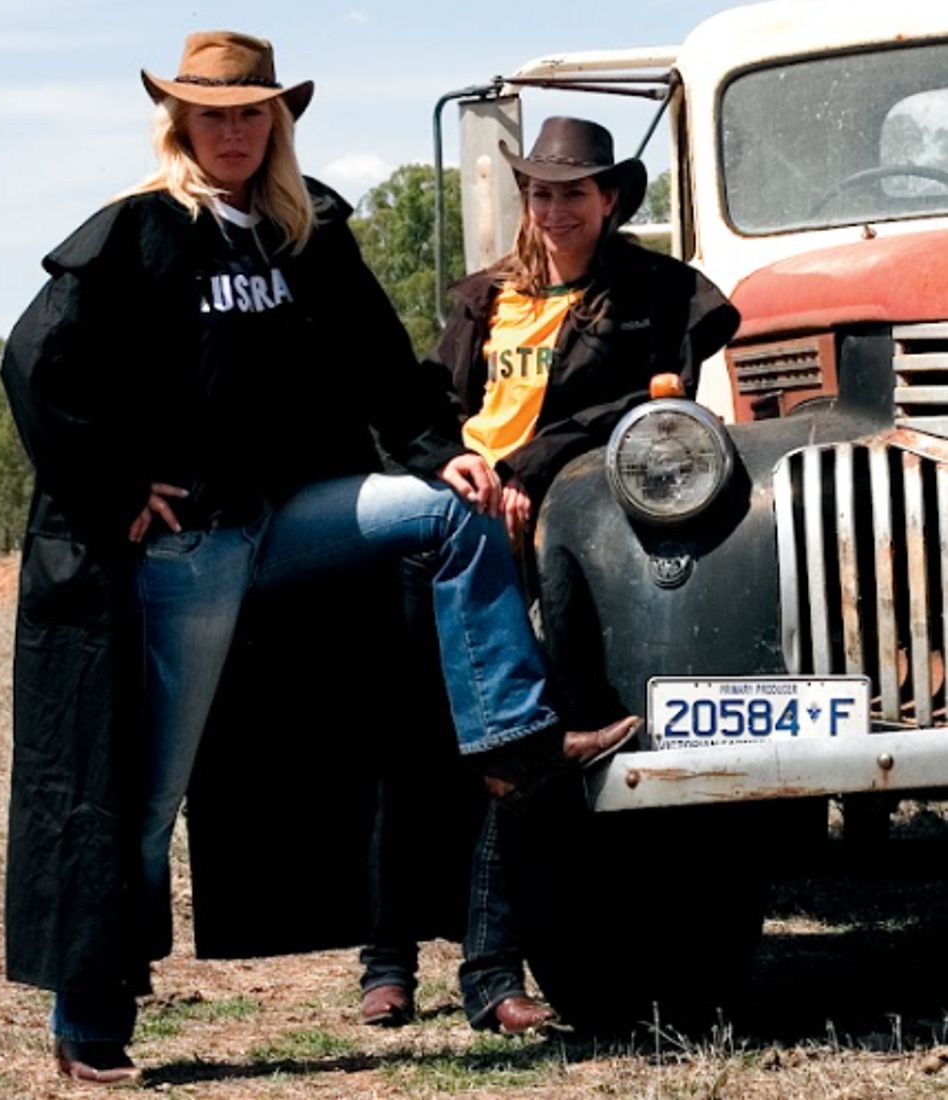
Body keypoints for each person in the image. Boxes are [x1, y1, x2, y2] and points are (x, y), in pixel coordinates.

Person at [1, 36, 638, 1084]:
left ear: (277, 123)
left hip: (290, 516)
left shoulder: (304, 233)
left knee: (449, 512)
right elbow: (34, 363)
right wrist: (117, 487)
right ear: (182, 123)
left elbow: (385, 370)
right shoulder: (142, 231)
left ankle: (510, 735)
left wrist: (445, 454)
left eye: (254, 113)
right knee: (147, 792)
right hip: (191, 544)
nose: (237, 130)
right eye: (217, 114)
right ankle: (89, 1012)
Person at [359, 116, 740, 1033]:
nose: (557, 207)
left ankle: (491, 974)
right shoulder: (486, 300)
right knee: (414, 737)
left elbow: (648, 410)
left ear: (611, 200)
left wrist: (531, 466)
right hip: (451, 525)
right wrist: (457, 469)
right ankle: (387, 963)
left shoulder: (657, 296)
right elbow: (433, 409)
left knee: (514, 744)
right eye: (541, 190)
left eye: (576, 191)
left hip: (559, 538)